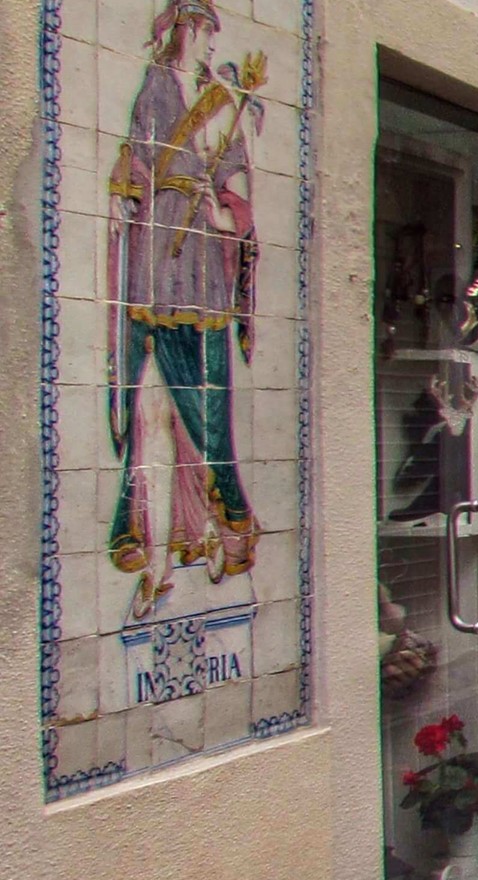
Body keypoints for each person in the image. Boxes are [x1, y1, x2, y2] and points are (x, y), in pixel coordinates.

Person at [105, 0, 267, 616]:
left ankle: (221, 526)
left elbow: (235, 187)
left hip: (199, 272)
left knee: (201, 410)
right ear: (186, 32)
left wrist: (224, 212)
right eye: (203, 34)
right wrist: (125, 192)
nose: (209, 45)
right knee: (153, 411)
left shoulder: (219, 101)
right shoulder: (155, 87)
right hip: (155, 262)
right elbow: (135, 159)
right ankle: (160, 558)